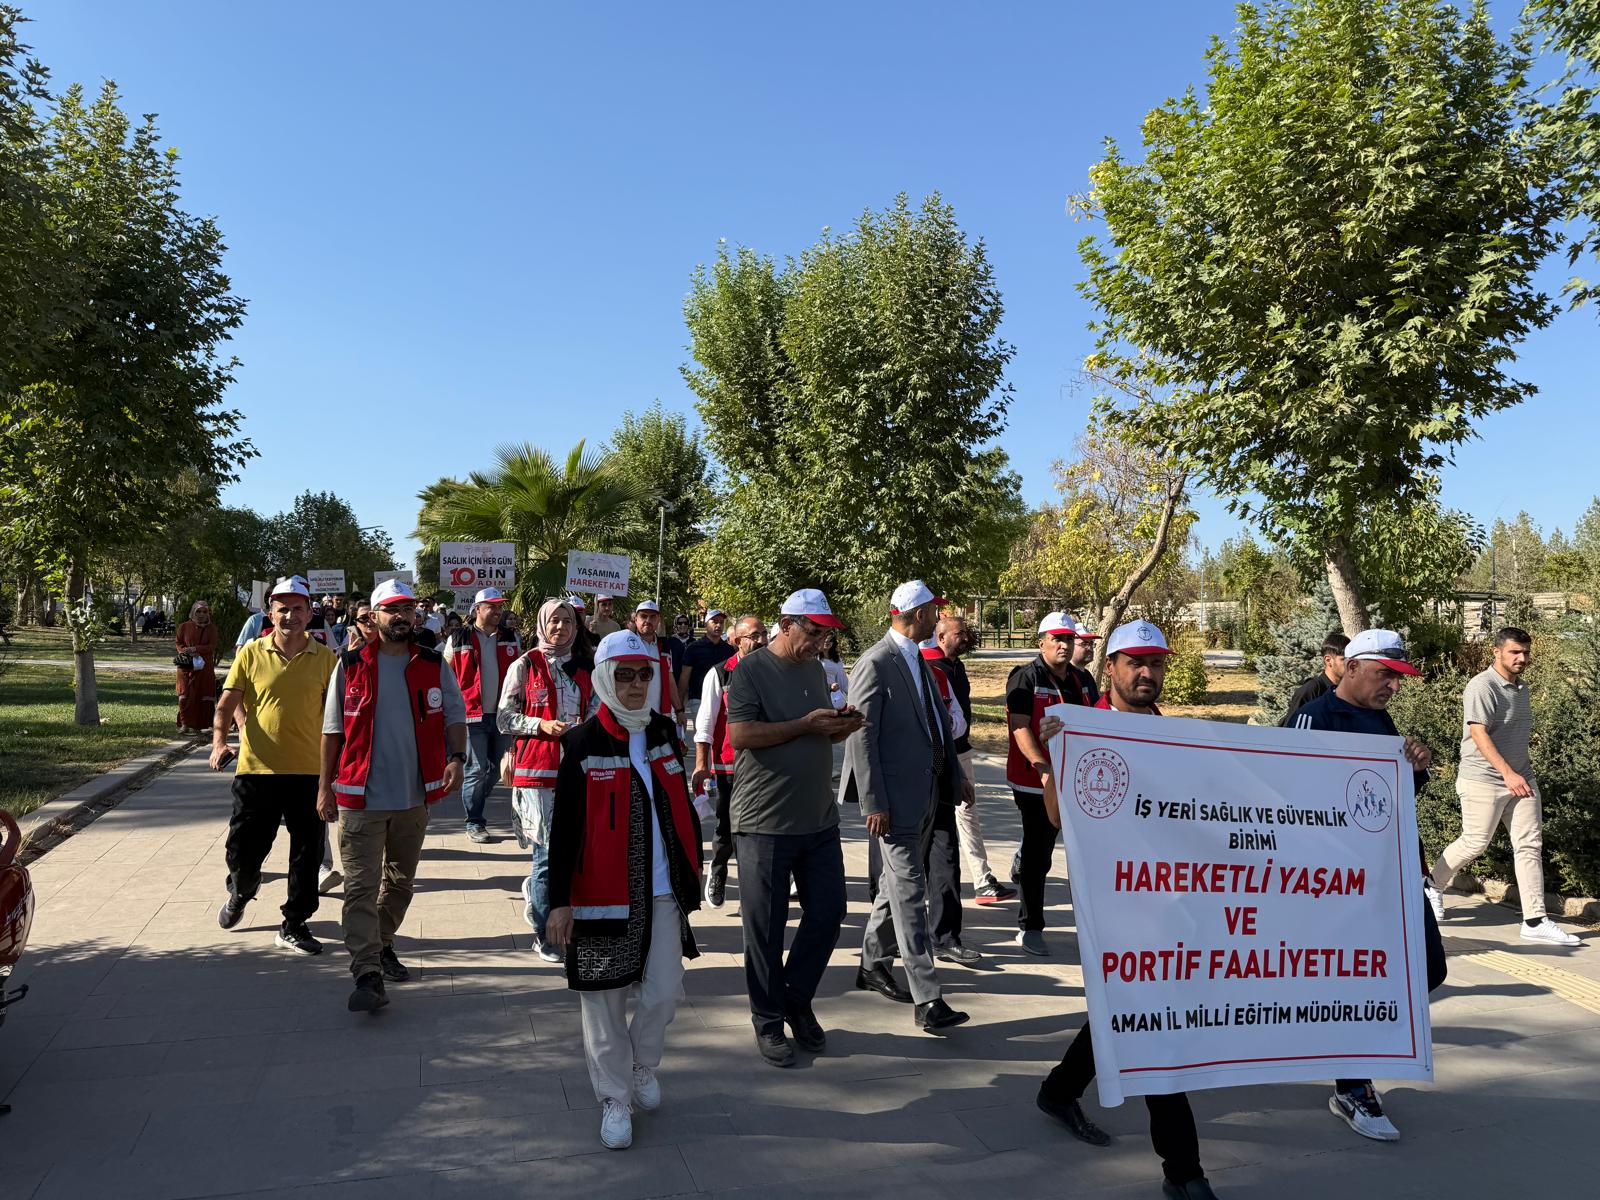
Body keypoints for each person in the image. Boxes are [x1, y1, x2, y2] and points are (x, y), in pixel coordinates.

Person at [1035, 619, 1217, 1200]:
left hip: (1173, 904)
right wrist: (1057, 753)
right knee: (1153, 1026)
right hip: (1116, 909)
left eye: (1156, 663)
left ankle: (1059, 1092)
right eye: (1135, 662)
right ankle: (1183, 1173)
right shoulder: (1082, 729)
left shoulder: (1172, 735)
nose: (1146, 673)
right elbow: (1057, 817)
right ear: (1109, 667)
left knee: (1122, 1012)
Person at [545, 630, 709, 1151]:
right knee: (603, 1004)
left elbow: (679, 807)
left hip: (662, 892)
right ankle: (614, 1097)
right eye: (624, 675)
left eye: (644, 674)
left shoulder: (663, 731)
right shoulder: (582, 743)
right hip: (600, 895)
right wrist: (558, 901)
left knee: (663, 993)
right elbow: (564, 830)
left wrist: (693, 870)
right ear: (603, 678)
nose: (637, 685)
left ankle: (641, 1064)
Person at [1288, 627, 1449, 1143]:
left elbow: (1386, 797)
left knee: (1428, 967)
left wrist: (1415, 767)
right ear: (1352, 667)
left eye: (1398, 678)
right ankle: (1352, 1084)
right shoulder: (1314, 717)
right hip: (1336, 881)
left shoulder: (1380, 718)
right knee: (1354, 978)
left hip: (1390, 871)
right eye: (1385, 675)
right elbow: (1284, 796)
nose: (1393, 687)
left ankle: (1347, 1054)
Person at [726, 589, 864, 1067]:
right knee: (765, 929)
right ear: (786, 625)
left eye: (826, 635)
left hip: (817, 818)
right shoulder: (750, 670)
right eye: (814, 632)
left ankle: (795, 998)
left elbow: (815, 728)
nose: (821, 643)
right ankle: (767, 1019)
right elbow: (740, 735)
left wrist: (840, 726)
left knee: (829, 911)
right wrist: (804, 725)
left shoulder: (815, 669)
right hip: (763, 821)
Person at [316, 579, 466, 1012]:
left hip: (414, 797)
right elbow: (332, 731)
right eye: (392, 610)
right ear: (374, 616)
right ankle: (367, 972)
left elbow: (454, 714)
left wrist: (457, 758)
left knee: (400, 883)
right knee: (360, 887)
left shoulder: (433, 663)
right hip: (359, 797)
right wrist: (324, 788)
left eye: (408, 609)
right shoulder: (350, 664)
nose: (401, 617)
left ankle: (381, 944)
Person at [842, 581, 973, 1033]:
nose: (939, 618)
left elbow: (937, 724)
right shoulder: (875, 662)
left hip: (928, 792)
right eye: (935, 611)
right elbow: (861, 736)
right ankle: (928, 998)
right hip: (894, 803)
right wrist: (873, 801)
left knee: (894, 888)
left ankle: (871, 964)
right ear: (919, 614)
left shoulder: (918, 657)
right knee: (911, 895)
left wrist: (955, 776)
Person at [211, 576, 339, 956]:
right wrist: (220, 742)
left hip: (309, 773)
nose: (290, 616)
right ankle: (242, 887)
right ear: (271, 614)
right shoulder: (251, 653)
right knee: (242, 849)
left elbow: (336, 719)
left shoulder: (326, 659)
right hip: (257, 770)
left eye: (298, 609)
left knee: (307, 854)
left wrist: (333, 773)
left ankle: (294, 923)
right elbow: (226, 704)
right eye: (282, 609)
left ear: (310, 613)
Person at [1428, 627, 1579, 946]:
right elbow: (1479, 734)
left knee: (1529, 846)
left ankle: (1535, 920)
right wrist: (1508, 774)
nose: (1522, 658)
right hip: (1482, 779)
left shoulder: (1522, 688)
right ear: (1496, 652)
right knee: (1475, 842)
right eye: (1515, 652)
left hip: (1521, 778)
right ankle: (1432, 885)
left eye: (1525, 652)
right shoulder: (1481, 686)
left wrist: (1518, 773)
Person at [500, 599, 597, 962]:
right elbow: (504, 718)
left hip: (577, 771)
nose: (560, 627)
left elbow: (597, 712)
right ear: (542, 625)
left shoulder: (588, 668)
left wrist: (584, 731)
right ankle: (544, 933)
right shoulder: (525, 665)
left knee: (574, 851)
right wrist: (539, 725)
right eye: (554, 621)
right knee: (546, 856)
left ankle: (565, 915)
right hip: (536, 773)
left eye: (567, 621)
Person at [1005, 612, 1094, 954]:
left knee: (1085, 855)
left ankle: (1093, 927)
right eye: (1057, 639)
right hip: (1035, 782)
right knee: (1039, 853)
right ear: (1041, 642)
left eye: (1068, 638)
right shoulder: (1025, 678)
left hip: (1076, 779)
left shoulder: (1082, 679)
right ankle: (1030, 927)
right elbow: (1019, 727)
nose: (1064, 645)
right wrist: (1042, 768)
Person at [930, 614, 1013, 905]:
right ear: (941, 637)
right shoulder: (931, 667)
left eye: (966, 632)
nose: (965, 638)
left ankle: (982, 880)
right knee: (939, 819)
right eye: (959, 633)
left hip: (962, 751)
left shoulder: (957, 666)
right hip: (940, 755)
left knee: (967, 815)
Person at [692, 615, 767, 908]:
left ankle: (757, 886)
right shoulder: (720, 674)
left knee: (760, 827)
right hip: (729, 765)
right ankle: (719, 869)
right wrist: (701, 765)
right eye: (754, 636)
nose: (761, 640)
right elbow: (705, 722)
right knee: (727, 824)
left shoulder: (774, 671)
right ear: (736, 641)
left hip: (766, 765)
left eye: (764, 634)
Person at [442, 587, 522, 844]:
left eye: (500, 606)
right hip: (472, 714)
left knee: (500, 769)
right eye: (492, 606)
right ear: (477, 609)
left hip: (503, 715)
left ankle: (475, 800)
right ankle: (474, 821)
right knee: (475, 770)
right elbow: (445, 674)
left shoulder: (511, 636)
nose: (498, 611)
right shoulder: (459, 637)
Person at [678, 609, 734, 730]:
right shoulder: (693, 648)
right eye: (715, 621)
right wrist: (679, 709)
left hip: (723, 702)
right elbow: (684, 678)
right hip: (699, 700)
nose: (718, 625)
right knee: (703, 737)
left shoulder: (729, 650)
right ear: (706, 624)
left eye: (721, 622)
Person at [1279, 632, 1349, 724]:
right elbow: (1291, 727)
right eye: (1344, 659)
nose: (1350, 664)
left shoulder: (1349, 691)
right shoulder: (1311, 690)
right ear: (1328, 660)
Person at [628, 599, 681, 723]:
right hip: (631, 715)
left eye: (653, 617)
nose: (648, 620)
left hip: (659, 716)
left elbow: (670, 680)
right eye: (643, 616)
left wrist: (679, 710)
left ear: (658, 620)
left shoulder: (665, 647)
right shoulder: (626, 644)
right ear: (635, 619)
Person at [175, 600, 220, 735]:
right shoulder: (184, 627)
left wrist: (197, 649)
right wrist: (186, 651)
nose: (201, 614)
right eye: (198, 611)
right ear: (193, 612)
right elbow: (178, 643)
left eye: (204, 612)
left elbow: (212, 646)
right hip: (186, 665)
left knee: (204, 694)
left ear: (208, 613)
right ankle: (185, 724)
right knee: (185, 693)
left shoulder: (212, 628)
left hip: (204, 666)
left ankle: (202, 725)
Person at [819, 632, 849, 709]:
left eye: (830, 640)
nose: (827, 641)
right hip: (820, 692)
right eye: (825, 639)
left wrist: (851, 693)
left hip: (834, 694)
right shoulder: (815, 658)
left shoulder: (837, 660)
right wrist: (829, 687)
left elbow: (843, 679)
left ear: (833, 643)